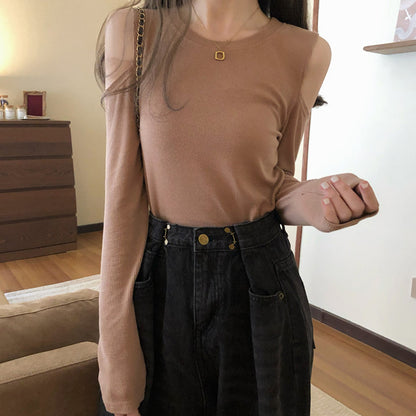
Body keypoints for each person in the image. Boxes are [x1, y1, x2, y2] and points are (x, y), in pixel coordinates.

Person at [94, 1, 379, 415]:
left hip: (261, 285)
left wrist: (319, 202)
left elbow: (274, 182)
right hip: (162, 283)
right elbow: (122, 197)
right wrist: (116, 358)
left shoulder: (307, 51)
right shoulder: (134, 30)